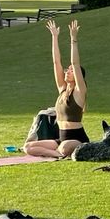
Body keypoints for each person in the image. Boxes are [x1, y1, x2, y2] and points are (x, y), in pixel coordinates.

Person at [23, 19, 88, 159]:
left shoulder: (79, 92)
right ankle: (57, 155)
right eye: (67, 70)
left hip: (77, 139)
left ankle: (59, 153)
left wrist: (73, 39)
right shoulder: (62, 90)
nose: (67, 71)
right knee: (28, 147)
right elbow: (56, 62)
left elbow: (75, 63)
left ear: (78, 76)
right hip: (61, 138)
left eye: (70, 71)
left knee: (64, 148)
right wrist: (54, 37)